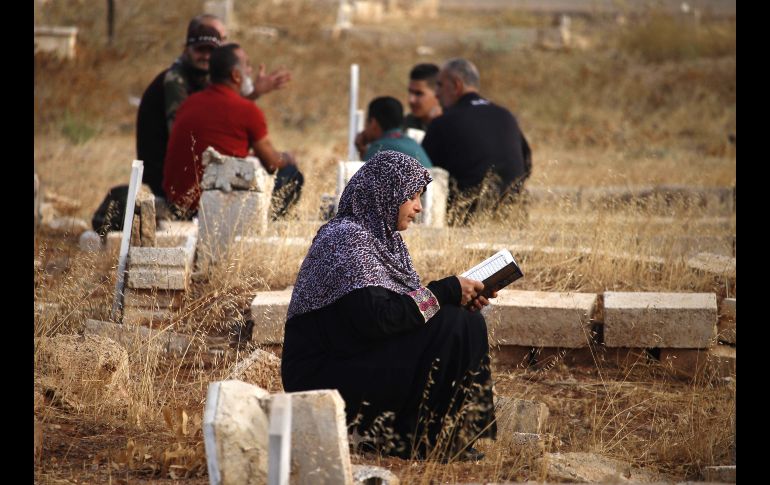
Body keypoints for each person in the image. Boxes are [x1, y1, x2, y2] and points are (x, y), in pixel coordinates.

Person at [281, 150, 497, 462]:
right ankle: (418, 437)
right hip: (323, 374)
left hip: (357, 354)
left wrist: (458, 298)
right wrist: (446, 290)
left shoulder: (383, 240)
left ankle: (444, 435)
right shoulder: (347, 238)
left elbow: (401, 310)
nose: (418, 208)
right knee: (449, 321)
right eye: (411, 196)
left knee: (461, 319)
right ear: (386, 192)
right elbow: (378, 320)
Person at [136, 14, 291, 198]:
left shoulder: (203, 81)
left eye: (212, 51)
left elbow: (222, 114)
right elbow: (192, 138)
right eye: (200, 50)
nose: (206, 57)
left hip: (189, 177)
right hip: (166, 176)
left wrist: (255, 93)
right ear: (186, 50)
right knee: (287, 175)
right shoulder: (175, 80)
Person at [162, 43, 302, 219]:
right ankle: (270, 227)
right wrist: (288, 158)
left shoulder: (188, 104)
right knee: (291, 174)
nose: (250, 71)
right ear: (236, 75)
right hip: (213, 207)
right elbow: (272, 163)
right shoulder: (247, 111)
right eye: (247, 66)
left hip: (176, 203)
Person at [422, 58, 532, 226]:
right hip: (511, 215)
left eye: (440, 85)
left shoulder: (443, 122)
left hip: (464, 218)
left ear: (456, 85)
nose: (436, 93)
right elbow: (527, 165)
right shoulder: (506, 116)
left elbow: (423, 170)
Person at [356, 96, 433, 168]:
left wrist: (364, 152)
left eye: (366, 122)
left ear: (373, 123)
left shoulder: (378, 148)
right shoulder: (413, 143)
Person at [404, 63, 443, 132]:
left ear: (437, 93)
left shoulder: (454, 126)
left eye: (419, 94)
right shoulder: (403, 127)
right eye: (410, 92)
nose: (411, 100)